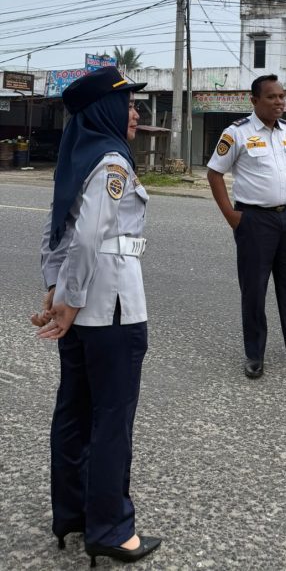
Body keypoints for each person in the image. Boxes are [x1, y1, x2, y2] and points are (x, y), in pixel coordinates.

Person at [31, 66, 161, 566]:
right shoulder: (112, 163)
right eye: (127, 103)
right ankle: (110, 529)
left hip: (82, 307)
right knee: (111, 420)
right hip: (112, 310)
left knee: (74, 412)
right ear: (103, 110)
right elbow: (86, 238)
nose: (134, 112)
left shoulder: (75, 158)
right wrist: (71, 299)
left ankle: (72, 515)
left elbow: (53, 233)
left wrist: (56, 292)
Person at [207, 74, 286, 379]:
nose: (279, 102)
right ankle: (255, 354)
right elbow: (214, 174)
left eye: (282, 96)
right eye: (271, 97)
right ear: (254, 101)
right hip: (254, 220)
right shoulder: (236, 133)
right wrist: (232, 217)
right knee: (254, 289)